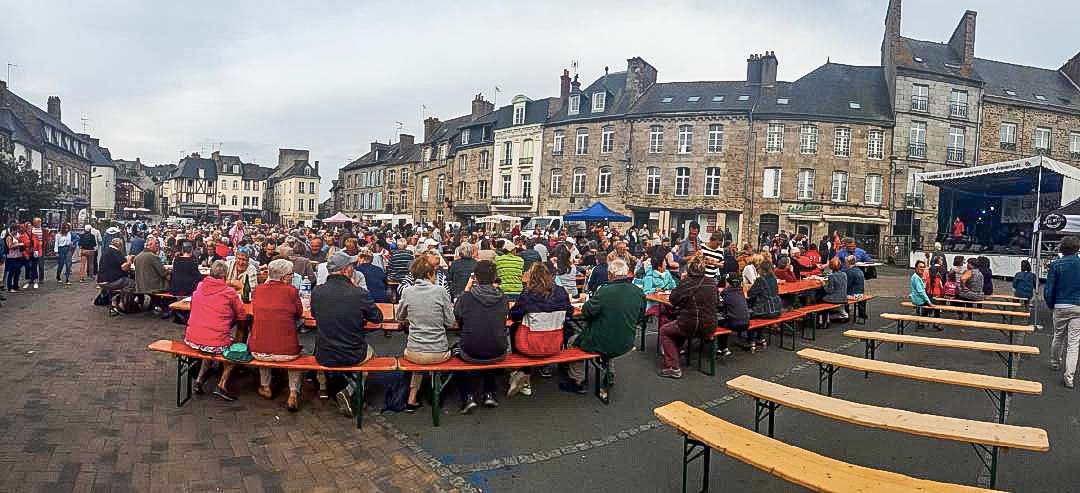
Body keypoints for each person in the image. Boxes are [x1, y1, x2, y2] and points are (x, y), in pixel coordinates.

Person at [312, 251, 384, 414]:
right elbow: (378, 318)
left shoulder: (318, 291)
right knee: (372, 355)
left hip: (324, 354)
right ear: (345, 270)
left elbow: (315, 315)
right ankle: (350, 390)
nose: (354, 268)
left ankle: (323, 387)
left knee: (321, 341)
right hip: (353, 354)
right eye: (352, 266)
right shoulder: (358, 293)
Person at [563, 259, 644, 396]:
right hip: (626, 340)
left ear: (611, 275)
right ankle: (609, 373)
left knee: (572, 341)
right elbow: (640, 316)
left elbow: (587, 311)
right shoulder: (637, 291)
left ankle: (577, 381)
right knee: (608, 332)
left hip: (605, 341)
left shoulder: (605, 291)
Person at [396, 257, 455, 412]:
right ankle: (437, 392)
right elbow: (450, 322)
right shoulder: (441, 291)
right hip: (438, 351)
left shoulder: (408, 292)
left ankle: (412, 398)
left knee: (420, 358)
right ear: (429, 274)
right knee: (451, 351)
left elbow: (399, 317)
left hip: (413, 352)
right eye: (435, 273)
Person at [183, 260, 246, 401]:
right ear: (225, 276)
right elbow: (242, 315)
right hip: (214, 342)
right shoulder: (229, 292)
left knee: (211, 338)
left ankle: (199, 380)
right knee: (238, 336)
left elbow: (193, 307)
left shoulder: (199, 286)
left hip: (192, 339)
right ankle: (222, 383)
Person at [508, 262, 574, 397]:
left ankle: (523, 372)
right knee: (566, 327)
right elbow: (569, 314)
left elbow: (514, 315)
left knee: (514, 327)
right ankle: (543, 368)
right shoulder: (561, 292)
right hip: (554, 345)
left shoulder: (528, 294)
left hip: (529, 347)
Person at [452, 260, 509, 413]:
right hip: (498, 350)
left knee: (458, 350)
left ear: (475, 277)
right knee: (489, 338)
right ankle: (489, 392)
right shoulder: (503, 298)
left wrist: (467, 288)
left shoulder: (467, 297)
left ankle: (467, 395)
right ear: (495, 277)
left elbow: (456, 314)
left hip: (471, 351)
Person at [249, 259, 305, 412]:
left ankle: (265, 386)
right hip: (287, 353)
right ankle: (293, 392)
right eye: (290, 275)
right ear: (283, 277)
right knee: (296, 352)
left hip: (258, 351)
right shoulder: (291, 291)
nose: (292, 277)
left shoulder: (258, 290)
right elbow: (300, 313)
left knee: (264, 339)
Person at [659, 256, 717, 379]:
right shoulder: (711, 282)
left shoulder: (686, 283)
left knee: (665, 330)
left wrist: (682, 282)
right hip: (710, 325)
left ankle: (673, 367)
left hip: (690, 324)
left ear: (689, 269)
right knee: (678, 327)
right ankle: (677, 352)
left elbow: (673, 299)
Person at [1046, 236, 1080, 388]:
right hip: (1078, 306)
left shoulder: (1055, 265)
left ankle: (1054, 362)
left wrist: (1051, 304)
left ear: (1061, 248)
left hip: (1060, 305)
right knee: (1074, 342)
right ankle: (1069, 376)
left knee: (1058, 335)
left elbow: (1049, 289)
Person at [134, 238, 170, 316]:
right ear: (149, 245)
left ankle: (154, 305)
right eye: (155, 244)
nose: (157, 246)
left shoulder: (137, 257)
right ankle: (165, 308)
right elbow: (163, 273)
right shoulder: (152, 256)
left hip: (141, 286)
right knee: (171, 285)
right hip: (153, 286)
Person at [98, 238, 135, 315]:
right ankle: (122, 303)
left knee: (121, 282)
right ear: (120, 245)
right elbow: (124, 267)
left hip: (101, 281)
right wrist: (129, 260)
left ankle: (114, 302)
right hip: (111, 281)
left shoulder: (106, 251)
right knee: (131, 283)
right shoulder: (116, 252)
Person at [716, 273, 752, 351]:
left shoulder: (726, 291)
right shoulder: (741, 291)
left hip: (734, 324)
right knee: (729, 316)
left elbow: (719, 303)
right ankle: (751, 340)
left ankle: (722, 348)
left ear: (727, 283)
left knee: (719, 320)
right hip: (746, 323)